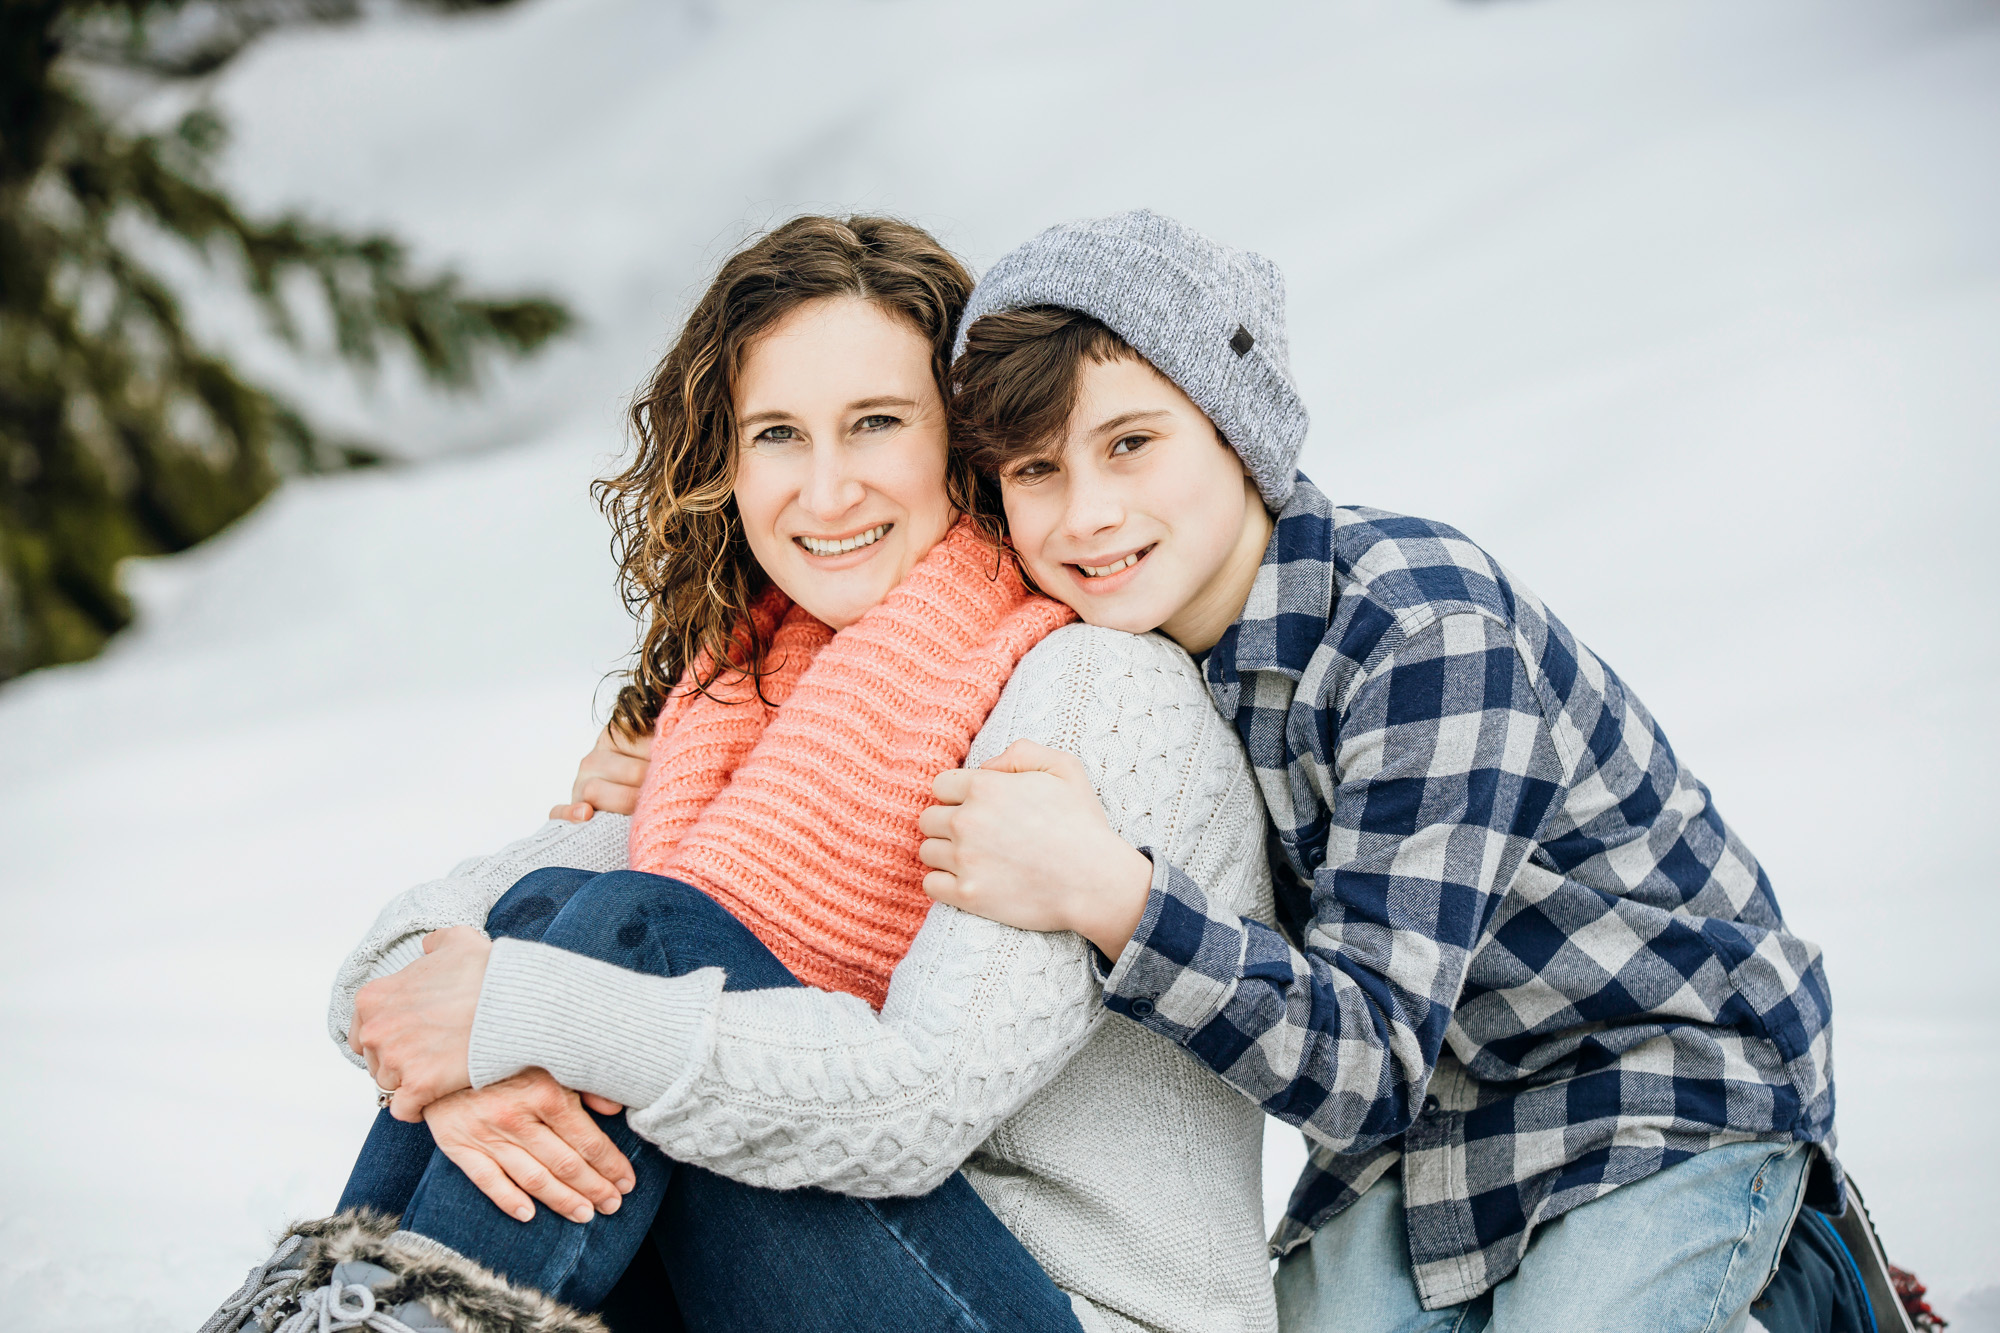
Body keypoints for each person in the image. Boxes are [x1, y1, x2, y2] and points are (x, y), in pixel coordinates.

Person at [199, 214, 1279, 1333]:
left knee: (640, 943)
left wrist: (524, 1020)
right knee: (554, 916)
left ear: (960, 438)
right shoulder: (757, 690)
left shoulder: (1094, 685)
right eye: (776, 434)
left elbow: (915, 1104)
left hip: (1058, 1308)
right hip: (830, 1273)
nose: (823, 492)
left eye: (873, 423)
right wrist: (475, 1078)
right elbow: (424, 945)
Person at [917, 209, 1841, 1333]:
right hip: (1431, 1119)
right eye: (1033, 469)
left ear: (1235, 427)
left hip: (1654, 1078)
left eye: (1129, 443)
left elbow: (1363, 1065)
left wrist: (1111, 894)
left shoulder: (1422, 634)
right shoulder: (1125, 639)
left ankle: (1803, 1279)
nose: (1088, 513)